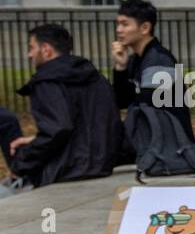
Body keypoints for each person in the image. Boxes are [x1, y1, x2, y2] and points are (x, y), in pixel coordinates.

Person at [0, 24, 123, 192]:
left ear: (46, 49)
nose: (29, 54)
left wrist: (21, 164)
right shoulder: (96, 78)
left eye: (31, 48)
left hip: (64, 171)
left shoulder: (47, 81)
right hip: (101, 165)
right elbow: (92, 125)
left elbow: (58, 129)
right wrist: (34, 140)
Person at [112, 0, 195, 145]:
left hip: (171, 146)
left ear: (145, 28)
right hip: (151, 141)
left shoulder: (159, 60)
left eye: (125, 24)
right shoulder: (136, 59)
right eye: (118, 24)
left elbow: (147, 107)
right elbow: (121, 101)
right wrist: (121, 67)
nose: (119, 30)